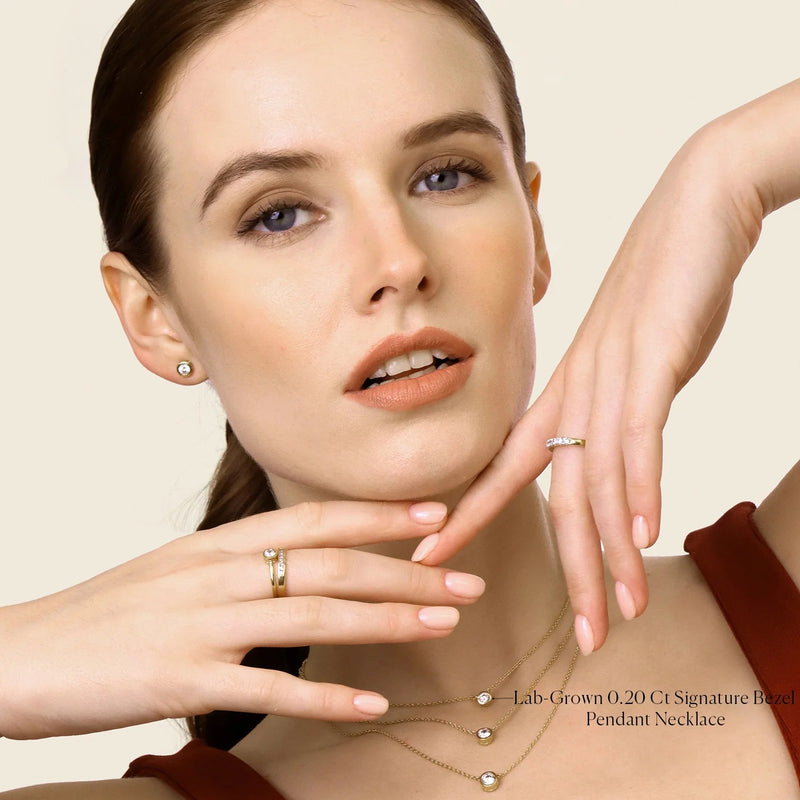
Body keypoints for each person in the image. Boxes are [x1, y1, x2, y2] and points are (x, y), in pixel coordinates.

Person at [1, 0, 799, 797]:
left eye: (444, 175)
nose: (398, 261)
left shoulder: (779, 595)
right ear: (156, 318)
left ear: (533, 228)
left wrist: (726, 173)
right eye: (279, 215)